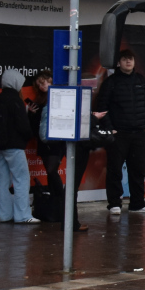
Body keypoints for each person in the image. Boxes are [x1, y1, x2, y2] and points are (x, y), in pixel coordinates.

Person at [93, 49, 145, 215]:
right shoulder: (111, 82)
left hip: (140, 134)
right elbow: (102, 107)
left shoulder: (141, 80)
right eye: (125, 59)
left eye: (131, 59)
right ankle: (114, 203)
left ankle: (138, 203)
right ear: (119, 62)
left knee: (138, 170)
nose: (128, 62)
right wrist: (110, 129)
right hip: (118, 134)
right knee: (114, 169)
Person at [29, 72, 86, 232]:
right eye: (40, 83)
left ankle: (62, 200)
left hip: (57, 141)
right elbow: (34, 128)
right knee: (50, 171)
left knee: (52, 170)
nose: (44, 86)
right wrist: (31, 114)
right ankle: (57, 201)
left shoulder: (60, 98)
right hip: (44, 142)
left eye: (46, 82)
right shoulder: (38, 102)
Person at [0, 68, 39, 224]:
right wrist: (28, 134)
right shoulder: (15, 100)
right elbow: (23, 126)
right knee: (21, 179)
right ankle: (23, 215)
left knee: (2, 181)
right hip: (14, 146)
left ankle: (5, 215)